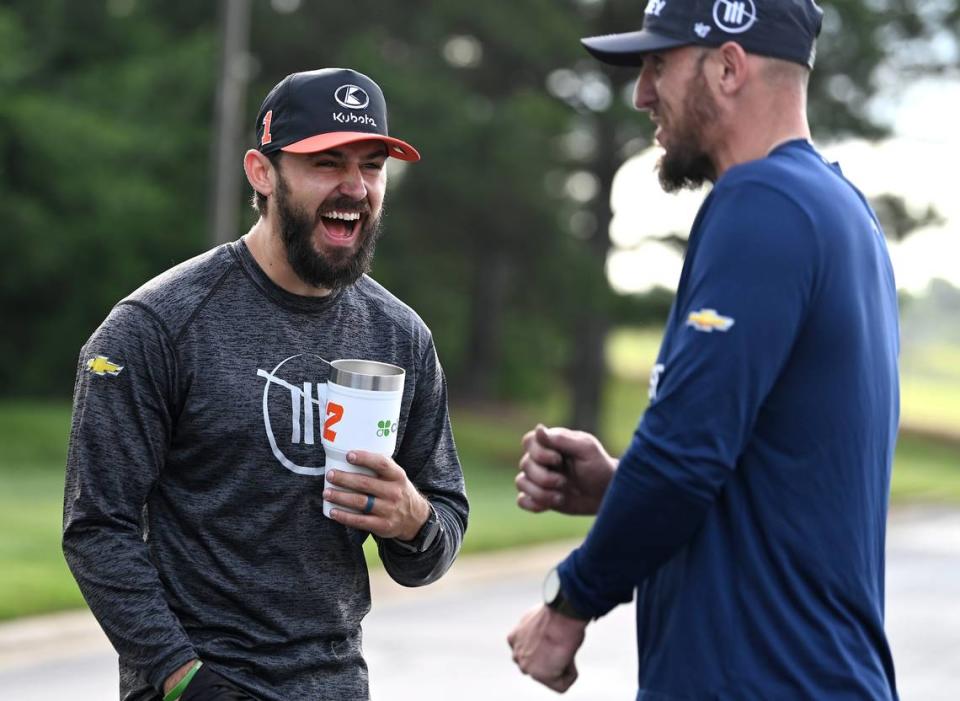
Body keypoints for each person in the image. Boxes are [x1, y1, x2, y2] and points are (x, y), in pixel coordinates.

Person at [508, 1, 900, 698]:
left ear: (727, 66)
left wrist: (569, 600)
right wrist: (619, 487)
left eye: (660, 64)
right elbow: (770, 469)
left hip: (762, 679)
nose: (641, 93)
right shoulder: (840, 211)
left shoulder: (763, 202)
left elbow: (685, 455)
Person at [62, 67, 468, 701]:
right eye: (326, 163)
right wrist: (181, 678)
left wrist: (413, 521)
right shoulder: (158, 326)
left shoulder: (399, 337)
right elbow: (96, 526)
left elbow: (438, 533)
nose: (355, 187)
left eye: (371, 165)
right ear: (261, 172)